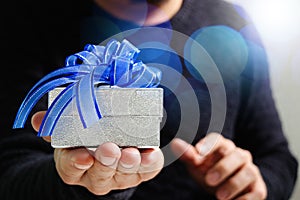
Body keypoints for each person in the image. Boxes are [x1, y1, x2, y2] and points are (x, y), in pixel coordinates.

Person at [0, 0, 298, 199]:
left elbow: (278, 157)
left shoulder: (233, 22)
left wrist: (254, 183)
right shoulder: (24, 16)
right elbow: (8, 173)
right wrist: (77, 182)